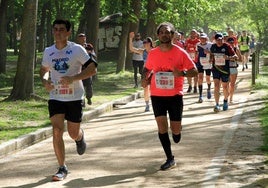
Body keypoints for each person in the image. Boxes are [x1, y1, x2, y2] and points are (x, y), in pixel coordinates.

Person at [39, 19, 97, 181]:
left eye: (62, 29)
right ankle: (62, 167)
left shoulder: (77, 50)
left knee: (72, 133)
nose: (58, 32)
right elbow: (44, 70)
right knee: (57, 131)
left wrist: (74, 78)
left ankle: (80, 137)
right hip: (56, 97)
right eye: (55, 29)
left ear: (68, 32)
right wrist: (45, 81)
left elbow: (92, 69)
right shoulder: (48, 51)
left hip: (74, 97)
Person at [141, 22, 198, 170]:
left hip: (174, 96)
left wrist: (183, 73)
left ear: (172, 35)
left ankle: (177, 132)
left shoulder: (180, 53)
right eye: (162, 33)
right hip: (157, 95)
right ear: (158, 35)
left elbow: (194, 71)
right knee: (161, 127)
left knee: (175, 131)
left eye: (168, 32)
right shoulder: (153, 53)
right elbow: (146, 69)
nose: (165, 35)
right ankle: (170, 158)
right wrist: (144, 78)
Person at [209, 33, 237, 112]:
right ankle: (217, 104)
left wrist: (228, 57)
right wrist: (210, 59)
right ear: (215, 40)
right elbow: (211, 55)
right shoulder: (213, 46)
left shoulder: (227, 46)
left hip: (225, 70)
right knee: (216, 86)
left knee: (225, 86)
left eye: (221, 39)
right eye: (218, 40)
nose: (219, 41)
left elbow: (235, 57)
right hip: (215, 69)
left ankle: (225, 100)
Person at [129, 32, 153, 112]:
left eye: (145, 43)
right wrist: (130, 39)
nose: (144, 44)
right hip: (146, 71)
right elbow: (132, 49)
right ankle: (147, 105)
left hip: (154, 71)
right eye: (143, 43)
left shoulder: (155, 51)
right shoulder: (143, 52)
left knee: (154, 89)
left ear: (150, 43)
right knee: (146, 89)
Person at [77, 33, 97, 106]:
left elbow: (94, 55)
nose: (83, 39)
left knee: (89, 85)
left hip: (88, 68)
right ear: (78, 39)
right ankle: (82, 101)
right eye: (81, 38)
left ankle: (89, 98)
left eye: (84, 38)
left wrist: (90, 53)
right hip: (79, 69)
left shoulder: (89, 46)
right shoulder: (76, 47)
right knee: (80, 86)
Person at [196, 33, 213, 103]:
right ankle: (200, 96)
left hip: (208, 63)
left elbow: (213, 53)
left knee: (208, 78)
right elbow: (196, 53)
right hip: (200, 63)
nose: (202, 39)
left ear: (206, 38)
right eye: (201, 38)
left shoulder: (210, 45)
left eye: (204, 38)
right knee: (200, 78)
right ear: (199, 39)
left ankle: (209, 89)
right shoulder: (197, 45)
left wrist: (209, 54)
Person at [226, 37, 242, 103]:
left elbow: (241, 60)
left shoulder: (236, 49)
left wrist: (235, 59)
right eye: (230, 43)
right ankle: (226, 96)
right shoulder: (224, 49)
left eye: (232, 43)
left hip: (233, 68)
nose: (231, 44)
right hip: (226, 68)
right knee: (226, 84)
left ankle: (231, 98)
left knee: (232, 85)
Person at [184, 29, 200, 93]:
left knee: (196, 74)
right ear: (190, 34)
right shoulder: (187, 41)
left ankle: (195, 86)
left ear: (196, 34)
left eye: (194, 33)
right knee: (188, 73)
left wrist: (197, 54)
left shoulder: (198, 41)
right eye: (192, 33)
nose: (193, 34)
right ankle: (190, 86)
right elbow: (184, 49)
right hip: (188, 59)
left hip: (196, 60)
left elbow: (199, 50)